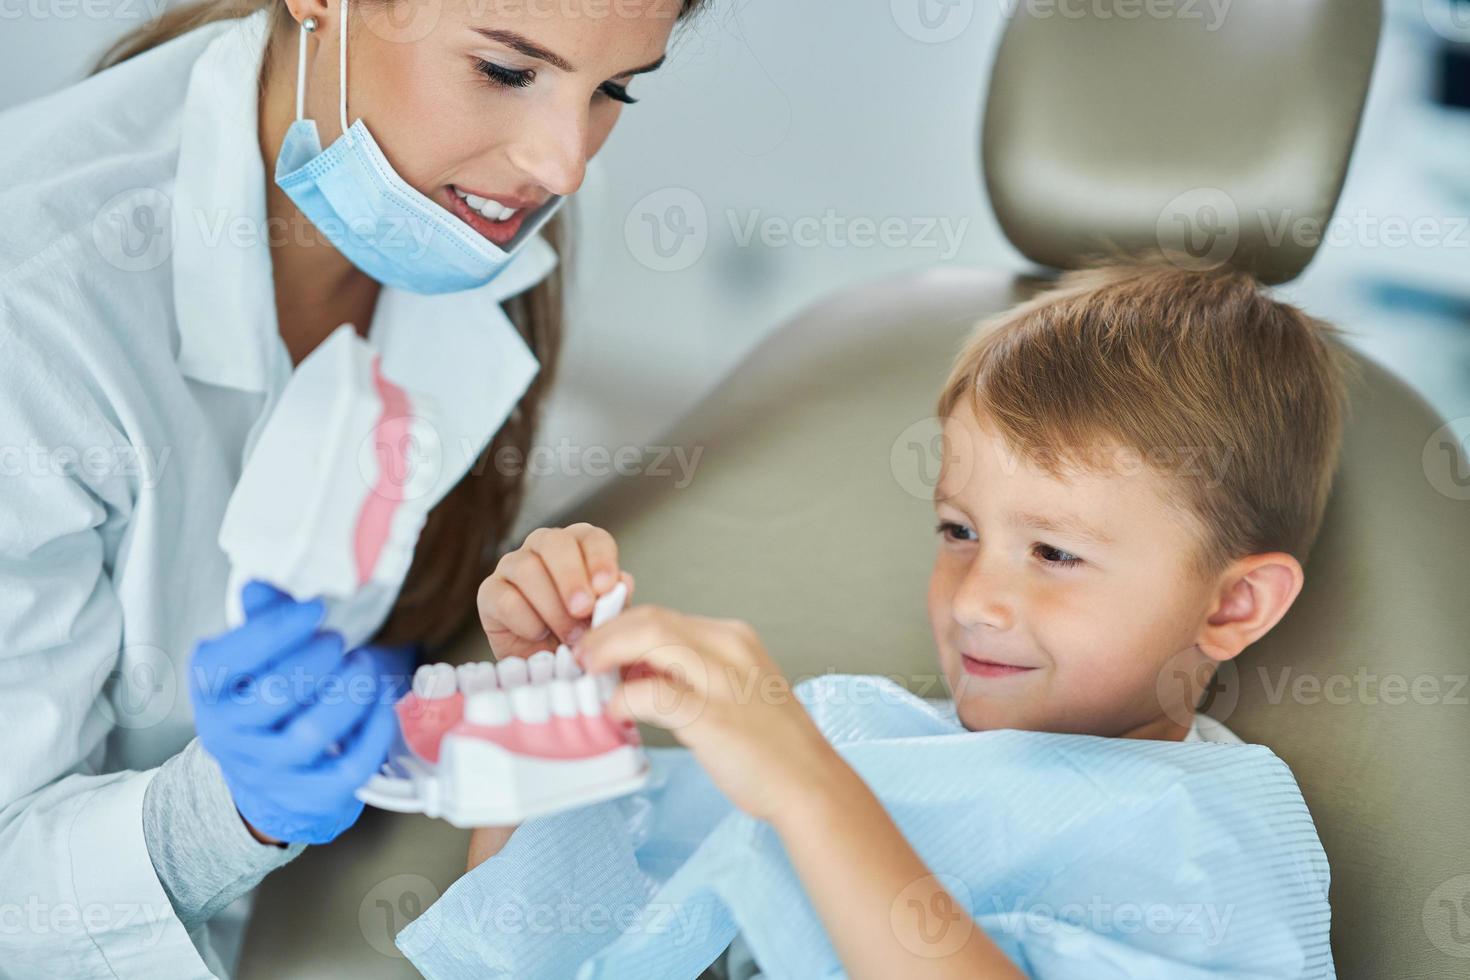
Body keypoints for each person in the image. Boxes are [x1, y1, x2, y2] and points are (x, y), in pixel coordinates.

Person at [0, 0, 704, 976]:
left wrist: (473, 687)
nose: (563, 164)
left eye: (614, 89)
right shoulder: (30, 308)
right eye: (507, 71)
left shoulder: (460, 227)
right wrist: (216, 816)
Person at [437, 259, 1349, 977]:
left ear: (1232, 604)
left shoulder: (1203, 843)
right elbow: (535, 953)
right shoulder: (865, 739)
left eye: (1056, 554)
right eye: (958, 530)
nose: (975, 597)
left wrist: (808, 792)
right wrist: (547, 704)